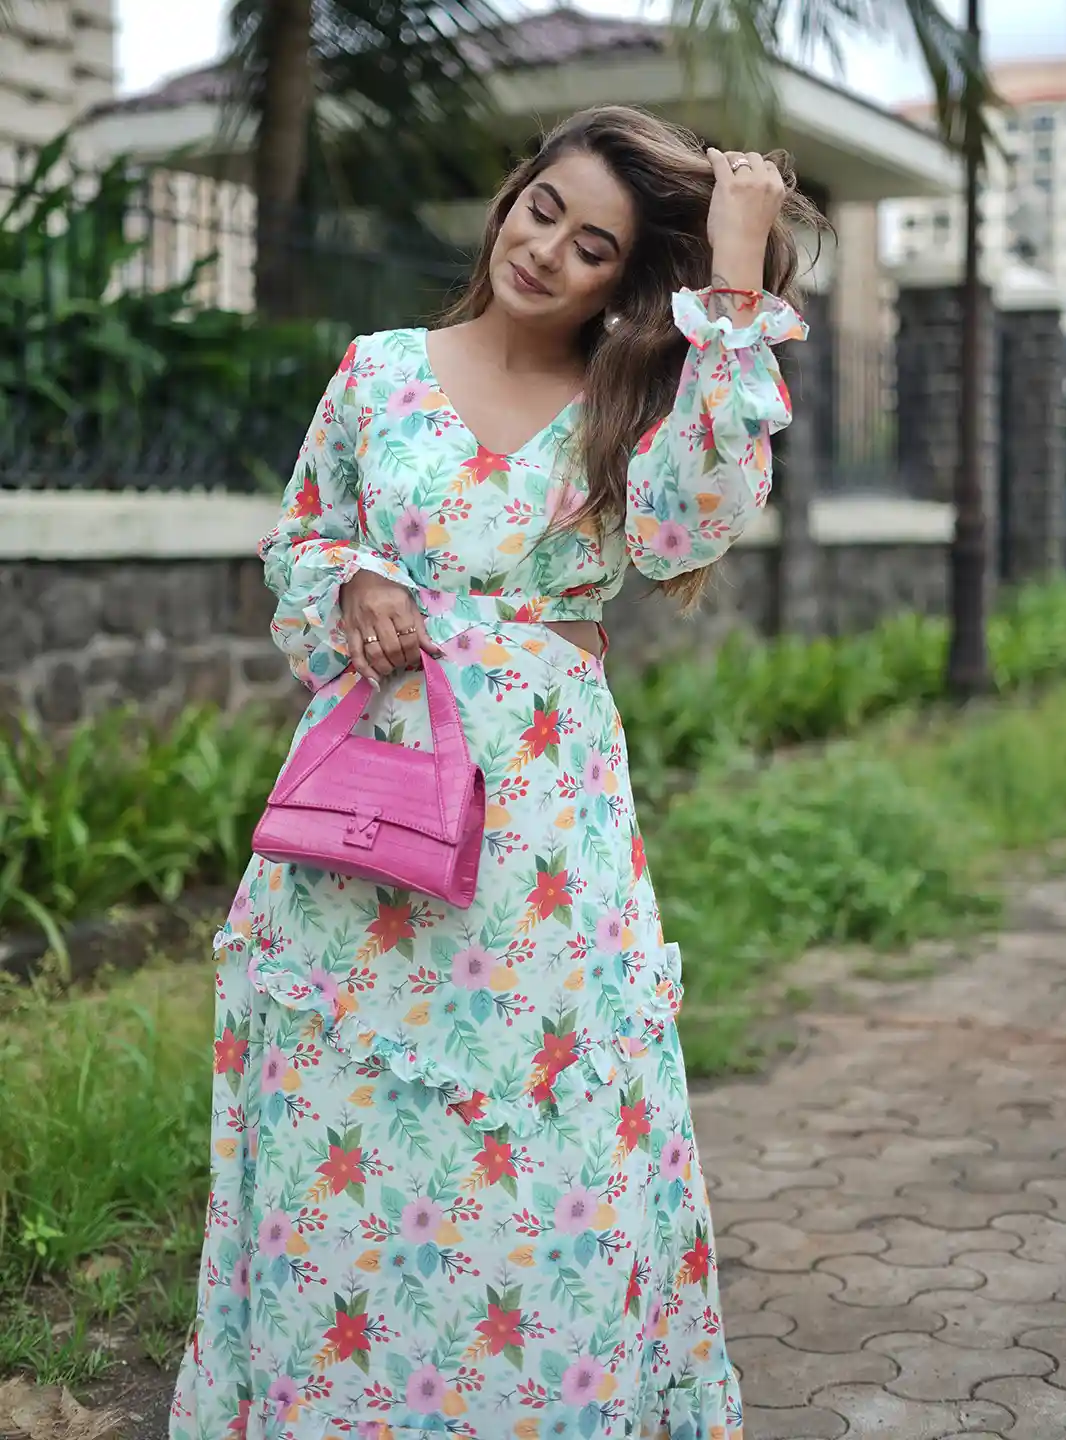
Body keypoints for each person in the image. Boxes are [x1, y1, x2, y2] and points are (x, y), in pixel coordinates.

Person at [171, 104, 814, 1440]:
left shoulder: (632, 403)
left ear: (621, 280)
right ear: (510, 195)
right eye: (541, 209)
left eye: (593, 247)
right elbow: (299, 542)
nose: (547, 253)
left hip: (540, 836)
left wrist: (735, 270)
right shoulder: (378, 370)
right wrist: (351, 579)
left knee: (543, 1150)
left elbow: (702, 516)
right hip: (372, 810)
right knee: (346, 1142)